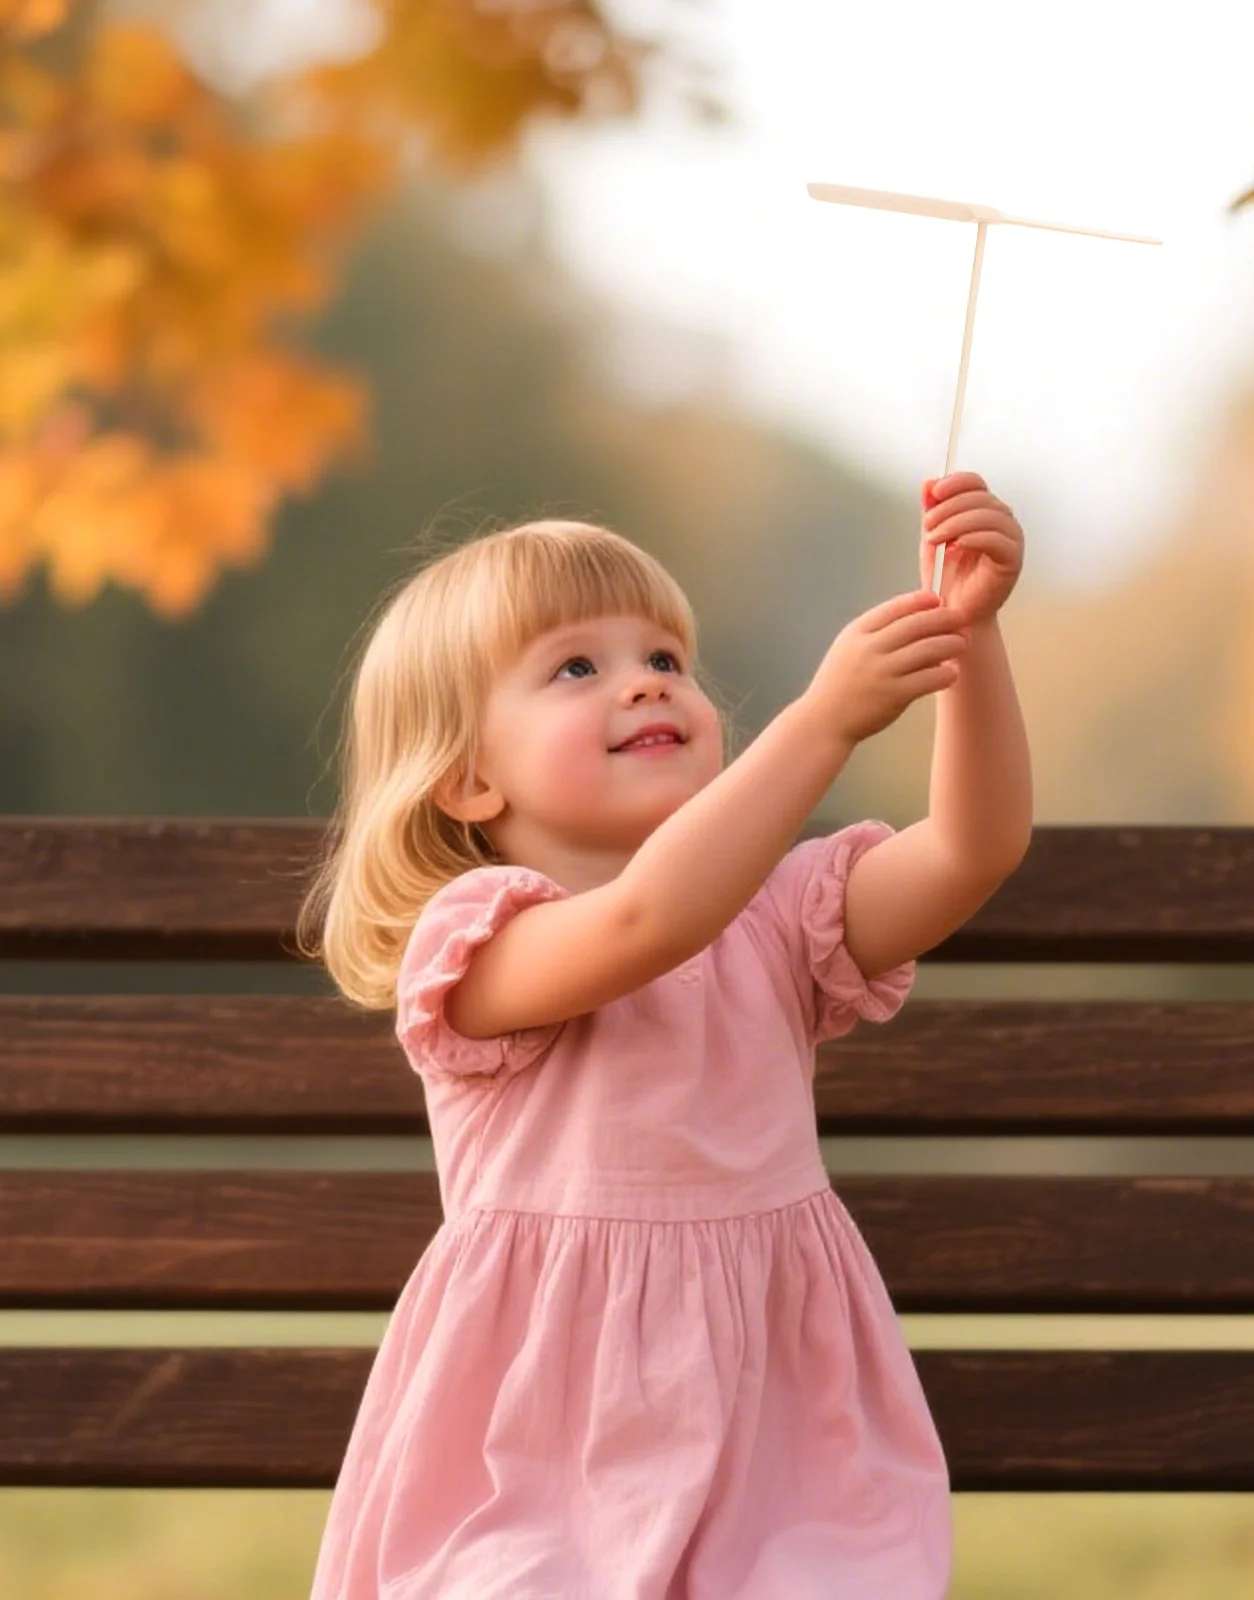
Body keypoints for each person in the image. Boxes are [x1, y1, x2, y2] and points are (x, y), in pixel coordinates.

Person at [296, 469, 1033, 1599]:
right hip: (543, 1437)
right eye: (577, 667)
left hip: (769, 1417)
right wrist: (822, 721)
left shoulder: (783, 918)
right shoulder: (480, 941)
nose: (644, 686)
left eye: (665, 659)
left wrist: (967, 639)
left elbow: (971, 850)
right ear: (468, 777)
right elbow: (646, 919)